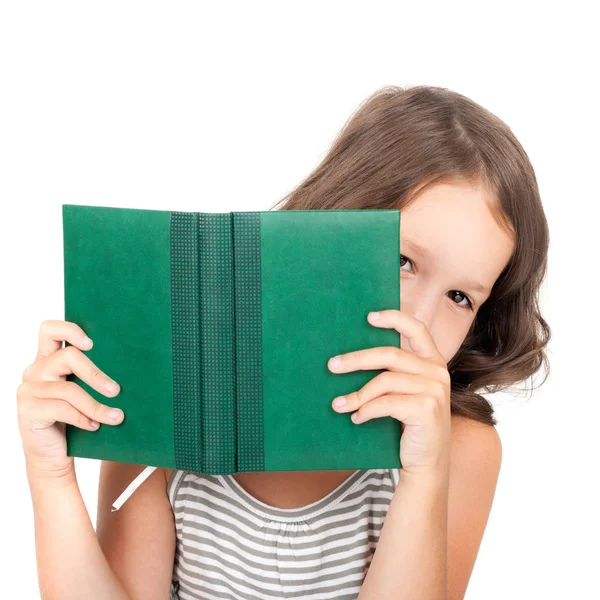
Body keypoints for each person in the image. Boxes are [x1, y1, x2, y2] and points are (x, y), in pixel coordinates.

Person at [17, 84, 551, 600]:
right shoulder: (174, 405)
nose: (420, 319)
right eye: (402, 261)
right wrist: (50, 472)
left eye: (461, 296)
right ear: (329, 225)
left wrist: (421, 476)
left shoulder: (459, 449)